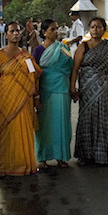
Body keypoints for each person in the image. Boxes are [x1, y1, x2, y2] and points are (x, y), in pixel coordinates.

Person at [0, 22, 42, 177]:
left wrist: (37, 98)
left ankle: (25, 164)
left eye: (18, 31)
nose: (15, 33)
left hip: (25, 101)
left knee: (24, 131)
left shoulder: (26, 54)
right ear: (6, 34)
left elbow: (33, 78)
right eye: (12, 31)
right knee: (6, 131)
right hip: (6, 100)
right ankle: (4, 166)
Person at [70, 17, 108, 166]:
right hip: (87, 89)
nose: (95, 29)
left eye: (99, 27)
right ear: (89, 29)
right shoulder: (83, 47)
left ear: (104, 29)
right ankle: (85, 155)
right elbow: (75, 69)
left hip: (106, 89)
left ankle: (104, 154)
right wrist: (72, 87)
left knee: (105, 119)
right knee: (87, 119)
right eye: (93, 27)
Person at [32, 19, 73, 169]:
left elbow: (70, 67)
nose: (56, 32)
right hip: (45, 90)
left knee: (61, 122)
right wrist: (35, 96)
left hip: (62, 89)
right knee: (44, 125)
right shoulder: (38, 50)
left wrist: (72, 87)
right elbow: (34, 74)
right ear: (44, 33)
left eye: (56, 29)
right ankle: (42, 157)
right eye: (52, 29)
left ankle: (61, 156)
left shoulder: (63, 48)